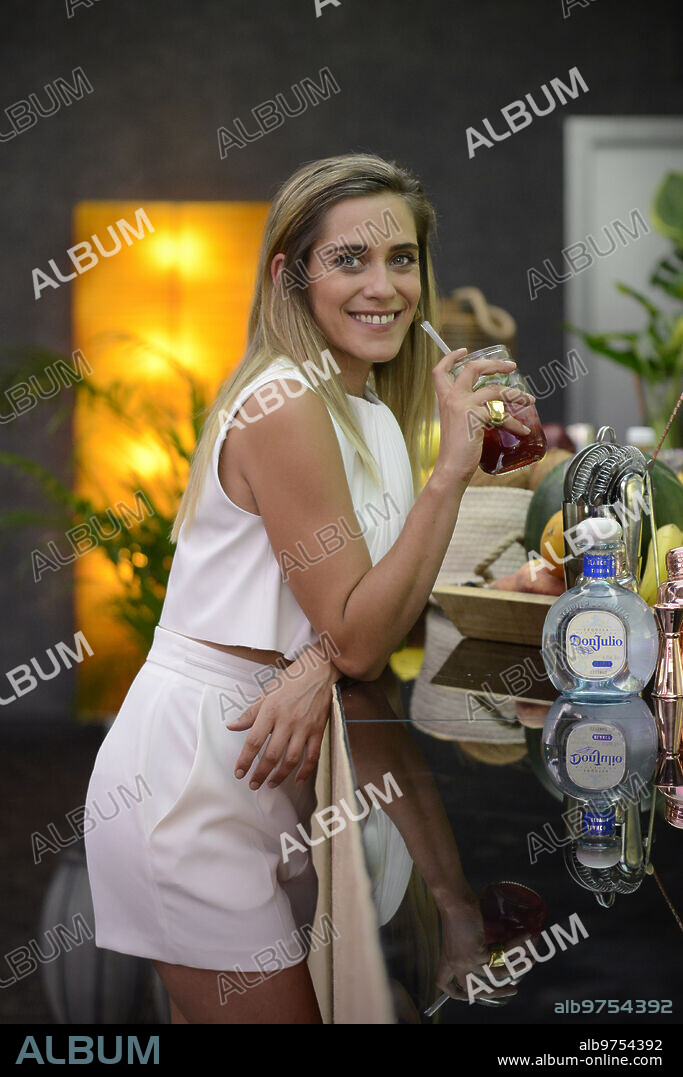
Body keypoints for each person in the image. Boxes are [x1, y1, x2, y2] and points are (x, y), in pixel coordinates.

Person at [84, 152, 532, 1024]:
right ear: (290, 277)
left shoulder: (364, 411)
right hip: (198, 771)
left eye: (400, 258)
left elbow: (370, 629)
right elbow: (362, 635)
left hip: (294, 764)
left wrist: (320, 659)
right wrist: (449, 470)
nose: (385, 285)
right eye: (349, 259)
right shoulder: (284, 401)